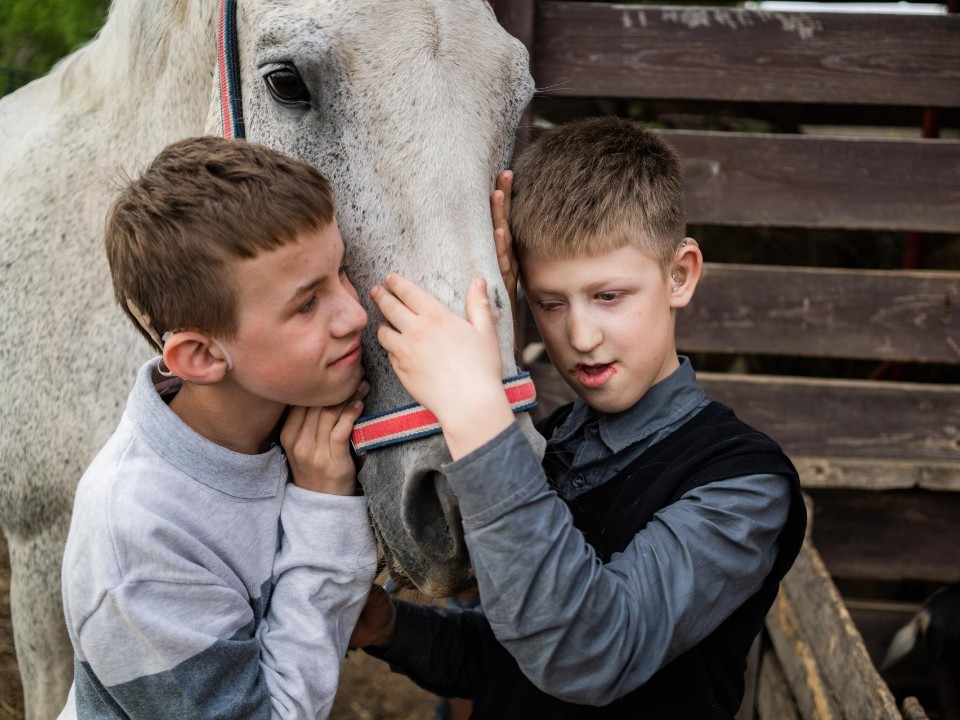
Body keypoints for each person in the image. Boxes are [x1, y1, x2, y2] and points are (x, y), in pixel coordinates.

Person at [351, 116, 807, 718]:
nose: (581, 336)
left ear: (680, 275)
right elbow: (502, 662)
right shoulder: (551, 440)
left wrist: (477, 414)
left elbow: (588, 651)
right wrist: (387, 626)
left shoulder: (743, 485)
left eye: (609, 296)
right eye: (550, 303)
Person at [57, 136, 378, 719]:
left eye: (343, 272)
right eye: (307, 304)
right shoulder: (138, 542)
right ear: (202, 358)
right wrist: (323, 507)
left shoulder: (286, 392)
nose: (355, 313)